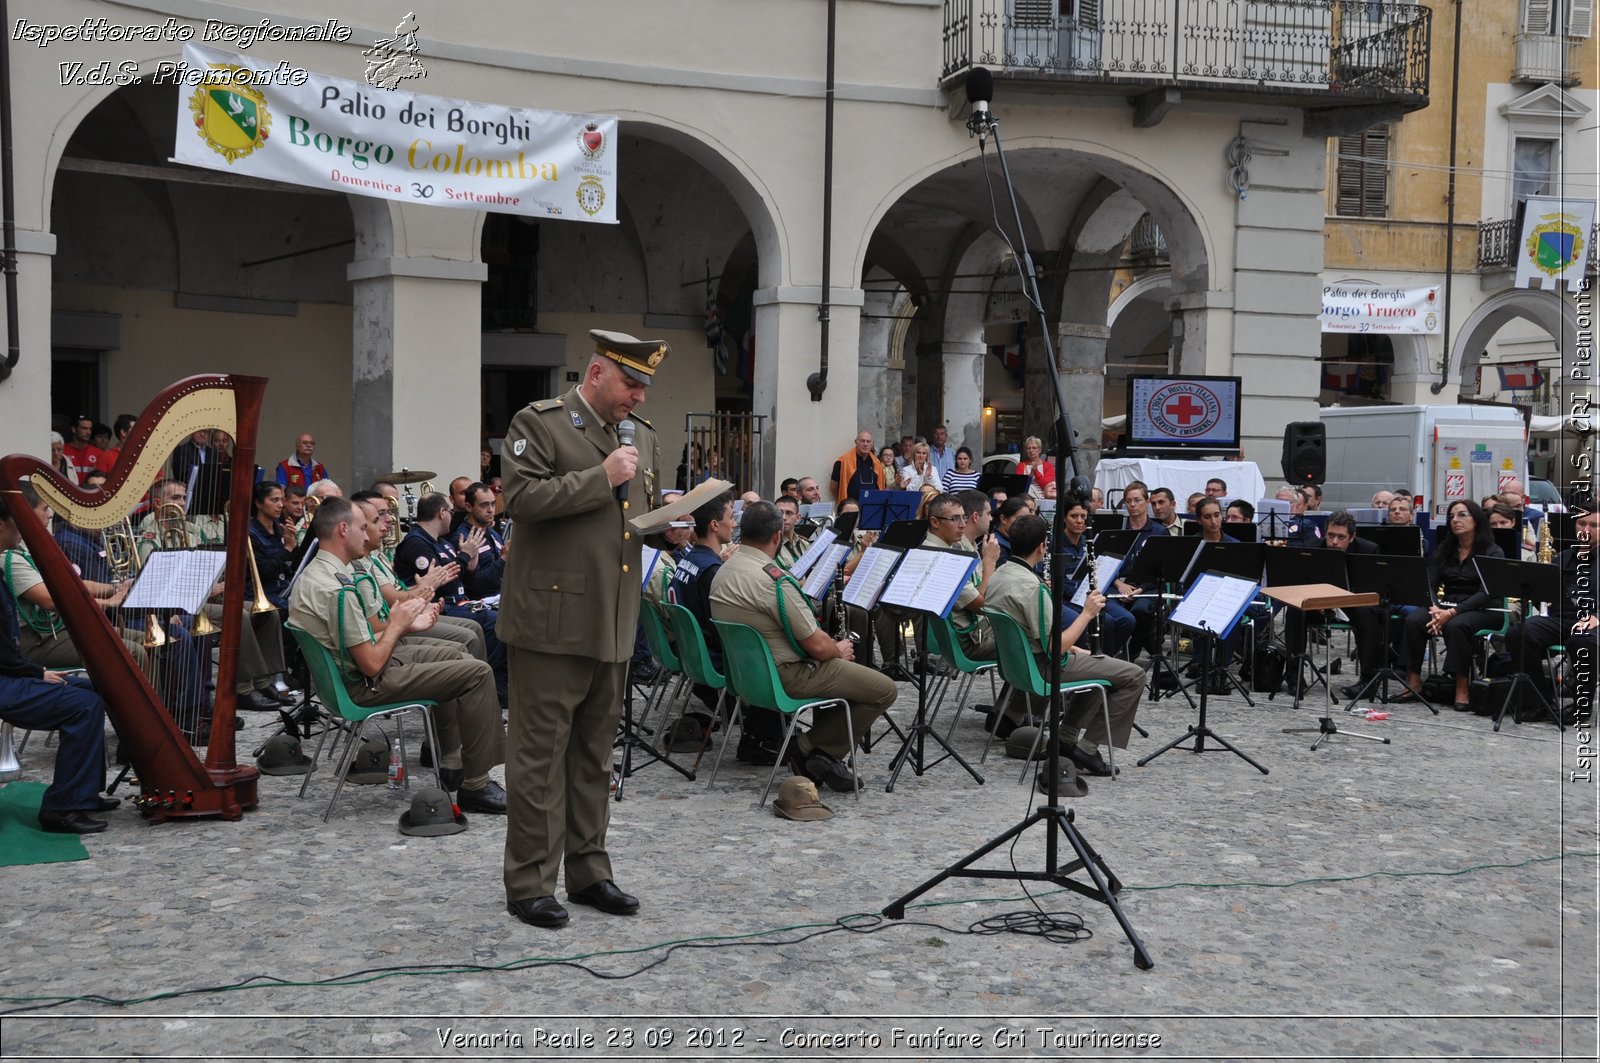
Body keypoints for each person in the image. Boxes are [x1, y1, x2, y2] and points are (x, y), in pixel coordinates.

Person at [497, 329, 664, 929]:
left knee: (594, 756)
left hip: (613, 618)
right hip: (552, 621)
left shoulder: (640, 435)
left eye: (645, 387)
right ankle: (530, 882)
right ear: (596, 374)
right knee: (539, 758)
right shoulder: (539, 423)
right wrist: (603, 476)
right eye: (630, 384)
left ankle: (589, 871)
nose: (639, 398)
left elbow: (628, 522)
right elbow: (519, 499)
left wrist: (666, 522)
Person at [288, 497, 506, 806]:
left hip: (355, 675)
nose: (368, 535)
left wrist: (402, 625)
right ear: (342, 530)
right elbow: (372, 665)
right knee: (478, 671)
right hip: (365, 685)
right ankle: (476, 783)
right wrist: (398, 624)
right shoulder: (337, 589)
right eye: (363, 528)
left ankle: (453, 760)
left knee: (458, 654)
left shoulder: (317, 576)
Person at [709, 501, 897, 792]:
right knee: (883, 689)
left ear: (742, 533)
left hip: (747, 679)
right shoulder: (774, 580)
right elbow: (819, 648)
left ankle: (822, 755)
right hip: (786, 676)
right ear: (776, 538)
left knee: (840, 673)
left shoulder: (723, 570)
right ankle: (811, 748)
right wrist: (840, 650)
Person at [984, 514, 1142, 779]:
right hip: (1044, 668)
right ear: (1042, 547)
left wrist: (1079, 651)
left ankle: (1067, 737)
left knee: (1097, 663)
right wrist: (1087, 614)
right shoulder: (1032, 587)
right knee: (1134, 675)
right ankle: (1087, 748)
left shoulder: (1000, 575)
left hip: (1021, 666)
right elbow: (1055, 647)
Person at [0, 492, 118, 834]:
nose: (23, 529)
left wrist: (33, 671)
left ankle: (84, 792)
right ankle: (62, 808)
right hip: (6, 679)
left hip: (12, 672)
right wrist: (36, 672)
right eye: (16, 522)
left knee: (92, 688)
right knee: (81, 704)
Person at [394, 492, 508, 704]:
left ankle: (497, 684)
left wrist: (469, 564)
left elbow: (458, 575)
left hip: (458, 601)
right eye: (450, 511)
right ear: (441, 513)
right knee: (493, 621)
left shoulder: (440, 542)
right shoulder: (417, 543)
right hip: (438, 606)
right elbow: (440, 581)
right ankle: (483, 685)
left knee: (502, 615)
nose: (453, 516)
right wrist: (464, 557)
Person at [1399, 500, 1504, 711]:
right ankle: (1413, 683)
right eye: (1452, 516)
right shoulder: (1444, 549)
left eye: (1462, 515)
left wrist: (1451, 613)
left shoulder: (1493, 551)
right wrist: (1435, 609)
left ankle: (1461, 686)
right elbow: (1429, 582)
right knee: (1414, 620)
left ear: (1477, 520)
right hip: (1446, 604)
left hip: (1485, 608)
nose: (1455, 520)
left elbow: (1486, 592)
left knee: (1457, 625)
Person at [1505, 504, 1598, 716]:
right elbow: (1542, 597)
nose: (1586, 529)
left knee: (1582, 640)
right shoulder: (1564, 557)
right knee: (1519, 633)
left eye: (1594, 525)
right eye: (1582, 523)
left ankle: (1581, 706)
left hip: (1593, 622)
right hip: (1562, 618)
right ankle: (1538, 702)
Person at [1054, 499, 1134, 661]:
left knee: (1127, 620)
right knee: (1108, 622)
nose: (1079, 521)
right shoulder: (1055, 545)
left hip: (1091, 593)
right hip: (1069, 599)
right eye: (1073, 516)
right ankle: (1101, 661)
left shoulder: (1089, 542)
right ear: (1064, 518)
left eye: (1083, 516)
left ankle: (1110, 654)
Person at [456, 482, 508, 600]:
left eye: (493, 504)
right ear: (469, 507)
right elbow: (475, 586)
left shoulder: (493, 533)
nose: (491, 510)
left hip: (502, 596)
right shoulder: (463, 538)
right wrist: (504, 559)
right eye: (484, 505)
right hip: (480, 602)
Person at [830, 431, 888, 503]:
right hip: (851, 509)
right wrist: (843, 504)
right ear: (856, 442)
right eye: (862, 441)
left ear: (872, 443)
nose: (865, 444)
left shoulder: (877, 463)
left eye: (868, 441)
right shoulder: (843, 462)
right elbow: (833, 488)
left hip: (873, 507)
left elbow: (882, 487)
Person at [62, 414, 108, 482]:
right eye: (84, 428)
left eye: (90, 429)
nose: (88, 432)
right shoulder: (63, 451)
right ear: (74, 429)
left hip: (90, 490)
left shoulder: (98, 453)